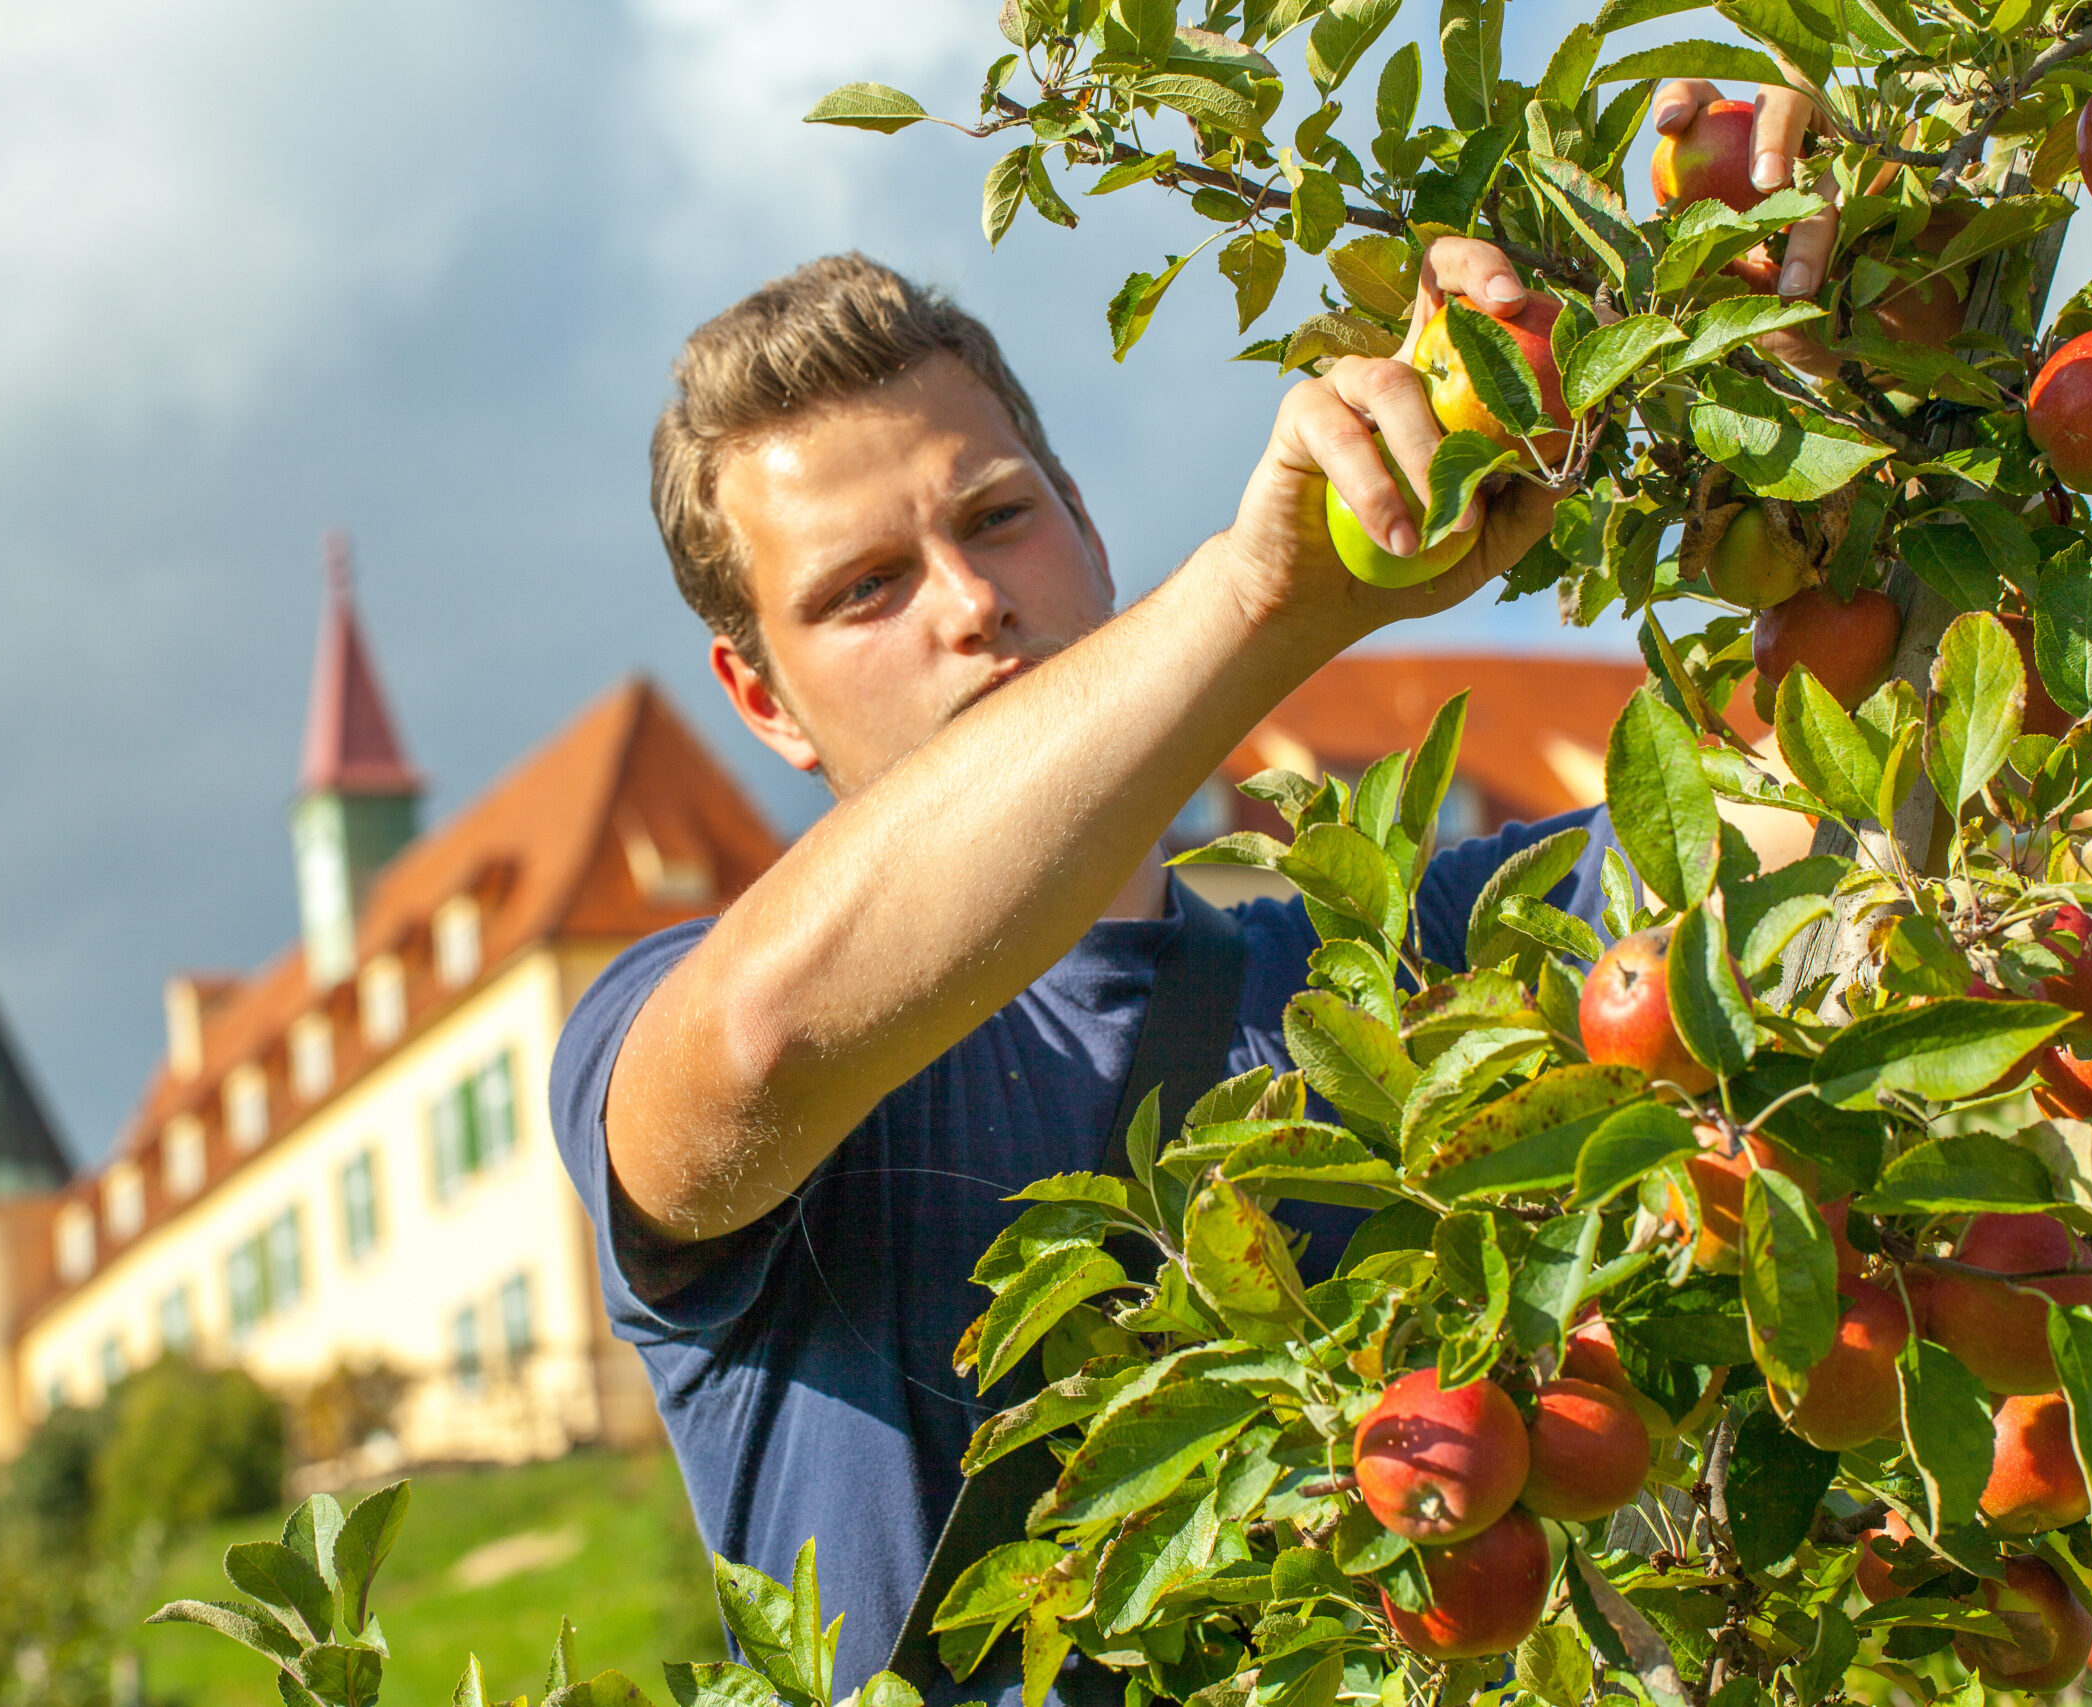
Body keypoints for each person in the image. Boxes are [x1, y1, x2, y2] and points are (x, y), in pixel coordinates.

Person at [553, 97, 1836, 1706]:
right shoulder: (662, 1018)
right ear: (765, 701)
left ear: (1087, 528)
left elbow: (1837, 834)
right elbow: (752, 1048)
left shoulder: (1399, 965)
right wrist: (1263, 601)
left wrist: (1809, 375)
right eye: (863, 591)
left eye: (998, 517)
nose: (967, 604)